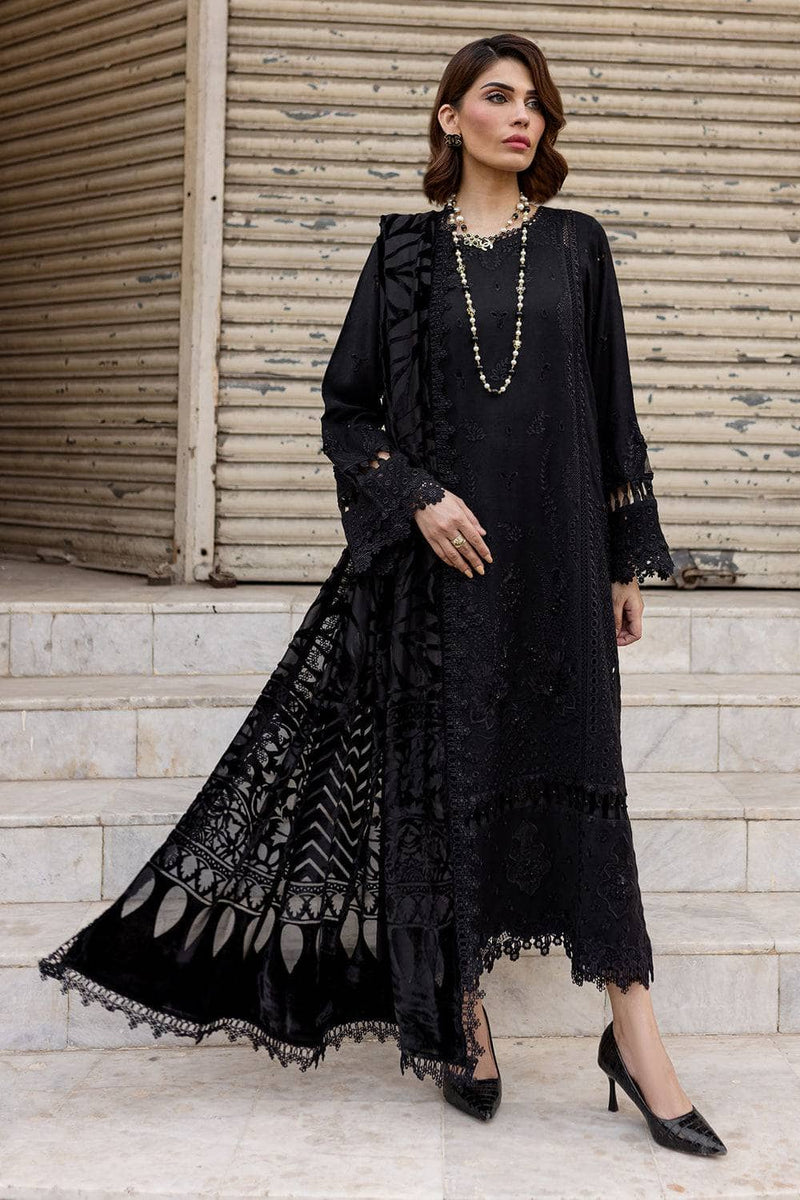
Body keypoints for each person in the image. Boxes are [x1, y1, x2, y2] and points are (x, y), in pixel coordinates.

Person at [38, 32, 726, 1157]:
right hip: (443, 580)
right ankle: (461, 1014)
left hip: (558, 569)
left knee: (585, 785)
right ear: (449, 117)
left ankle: (635, 1038)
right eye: (498, 97)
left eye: (537, 103)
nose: (524, 117)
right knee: (445, 788)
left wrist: (621, 560)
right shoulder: (405, 255)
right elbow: (345, 412)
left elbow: (615, 407)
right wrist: (417, 497)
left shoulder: (576, 245)